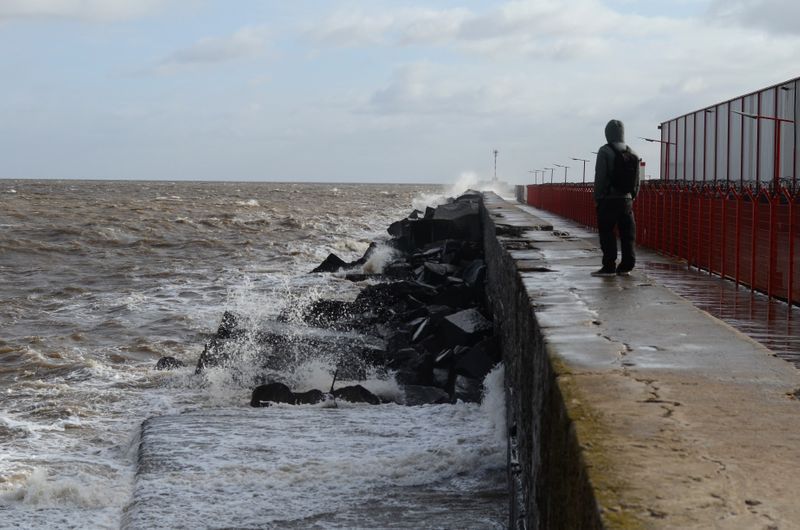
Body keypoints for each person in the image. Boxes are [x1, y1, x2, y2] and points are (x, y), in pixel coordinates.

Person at [591, 119, 640, 277]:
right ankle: (626, 266)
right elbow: (637, 181)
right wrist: (632, 196)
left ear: (607, 134)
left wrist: (598, 197)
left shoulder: (605, 151)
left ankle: (609, 266)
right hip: (626, 200)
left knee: (607, 233)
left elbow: (600, 176)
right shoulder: (632, 152)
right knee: (627, 234)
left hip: (608, 199)